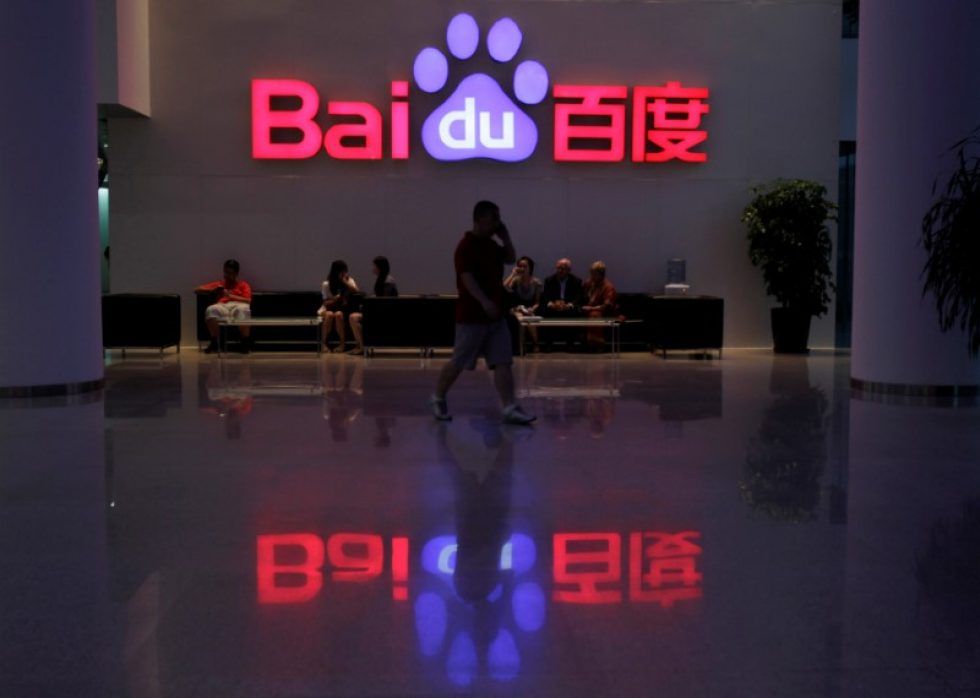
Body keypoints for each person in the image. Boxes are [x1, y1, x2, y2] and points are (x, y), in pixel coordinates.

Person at [429, 200, 535, 425]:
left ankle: (509, 406)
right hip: (472, 317)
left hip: (496, 316)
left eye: (498, 219)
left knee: (503, 361)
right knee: (459, 361)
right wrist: (484, 301)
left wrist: (506, 237)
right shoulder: (466, 246)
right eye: (493, 219)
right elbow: (467, 278)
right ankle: (437, 397)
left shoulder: (492, 246)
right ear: (479, 219)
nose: (497, 223)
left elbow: (510, 258)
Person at [195, 259, 253, 354]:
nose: (227, 275)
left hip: (238, 305)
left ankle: (245, 341)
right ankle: (216, 341)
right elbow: (197, 289)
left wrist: (230, 296)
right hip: (223, 306)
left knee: (243, 309)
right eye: (226, 272)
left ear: (236, 273)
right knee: (211, 309)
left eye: (230, 273)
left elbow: (248, 300)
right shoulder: (220, 284)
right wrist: (213, 290)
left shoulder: (243, 285)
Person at [348, 255, 398, 355]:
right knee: (353, 317)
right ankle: (360, 345)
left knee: (353, 317)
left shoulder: (387, 281)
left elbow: (384, 301)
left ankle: (362, 347)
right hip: (378, 311)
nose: (373, 268)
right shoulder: (381, 279)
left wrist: (368, 307)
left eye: (374, 266)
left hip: (385, 313)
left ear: (380, 267)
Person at [319, 260, 361, 353]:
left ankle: (342, 344)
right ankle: (323, 344)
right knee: (329, 314)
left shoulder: (349, 281)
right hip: (328, 308)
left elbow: (357, 291)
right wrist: (335, 299)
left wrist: (344, 282)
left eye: (345, 271)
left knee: (338, 314)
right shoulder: (326, 284)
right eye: (342, 272)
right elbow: (325, 303)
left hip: (343, 309)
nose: (344, 274)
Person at [503, 255, 543, 351]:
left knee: (529, 317)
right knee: (519, 317)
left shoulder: (536, 283)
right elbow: (503, 288)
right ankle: (521, 345)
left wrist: (532, 309)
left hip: (530, 307)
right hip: (517, 307)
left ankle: (535, 343)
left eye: (524, 266)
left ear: (530, 268)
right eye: (520, 266)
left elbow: (537, 302)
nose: (522, 268)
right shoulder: (516, 280)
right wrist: (513, 274)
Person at [581, 260, 618, 350]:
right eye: (591, 273)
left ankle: (596, 343)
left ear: (601, 274)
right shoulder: (588, 283)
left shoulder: (608, 287)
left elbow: (606, 306)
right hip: (587, 310)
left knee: (594, 314)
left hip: (604, 313)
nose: (591, 276)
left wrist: (591, 308)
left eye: (594, 274)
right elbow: (581, 297)